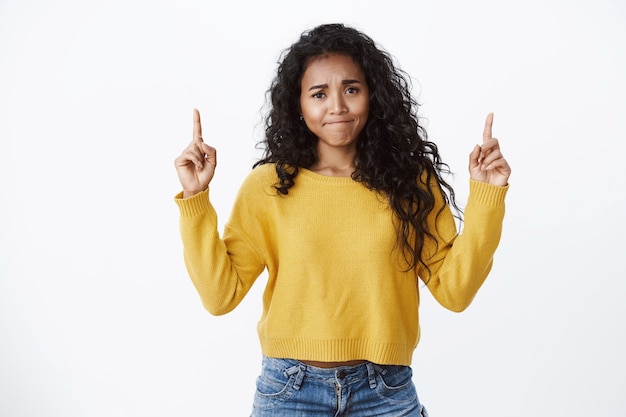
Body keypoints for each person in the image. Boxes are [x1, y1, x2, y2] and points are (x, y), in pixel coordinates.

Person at [174, 23, 510, 417]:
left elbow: (455, 292)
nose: (337, 106)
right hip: (290, 391)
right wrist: (196, 198)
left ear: (372, 96)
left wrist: (486, 196)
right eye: (319, 94)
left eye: (351, 89)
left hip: (385, 391)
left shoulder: (409, 182)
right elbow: (219, 297)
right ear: (298, 104)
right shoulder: (268, 187)